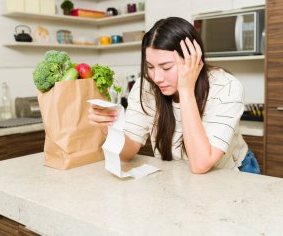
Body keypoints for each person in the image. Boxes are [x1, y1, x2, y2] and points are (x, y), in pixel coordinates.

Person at [88, 17, 260, 174]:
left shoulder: (225, 86)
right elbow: (128, 152)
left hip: (232, 171)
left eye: (166, 67)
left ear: (193, 59)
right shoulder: (145, 86)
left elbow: (201, 164)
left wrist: (186, 90)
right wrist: (108, 126)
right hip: (180, 174)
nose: (156, 77)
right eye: (150, 66)